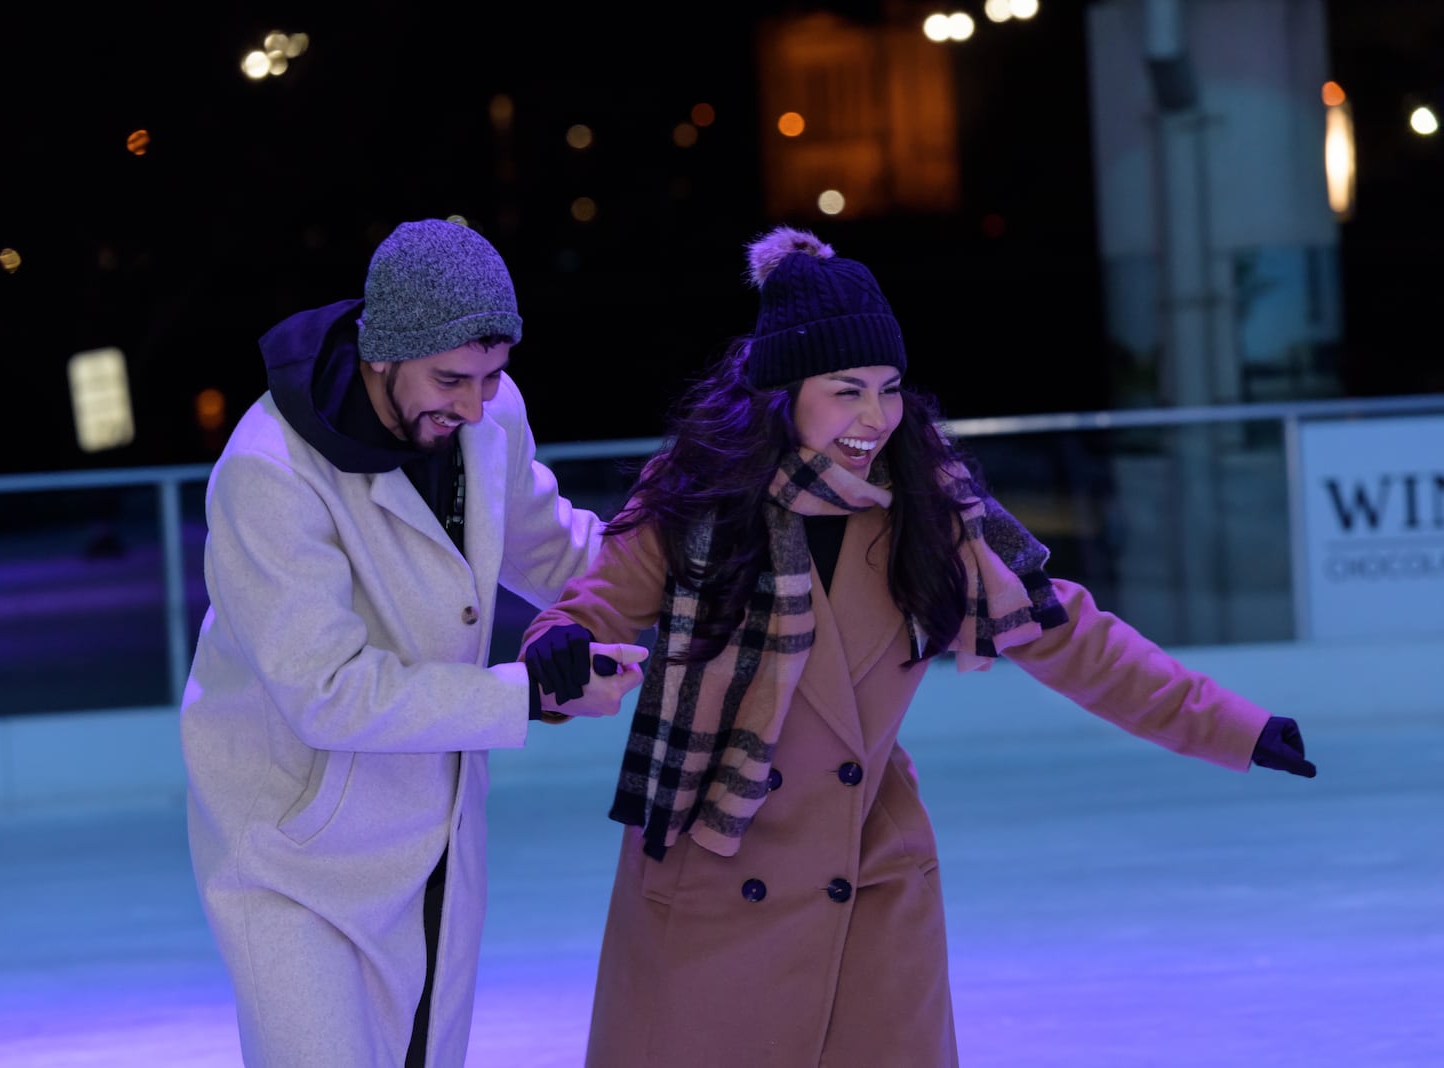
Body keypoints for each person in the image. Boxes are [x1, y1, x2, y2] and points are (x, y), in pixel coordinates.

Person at [517, 225, 1317, 1067]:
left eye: (889, 388)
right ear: (782, 390)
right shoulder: (699, 499)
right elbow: (593, 605)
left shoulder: (935, 513)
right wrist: (562, 645)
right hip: (712, 870)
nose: (875, 418)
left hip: (869, 879)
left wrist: (1235, 725)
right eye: (847, 389)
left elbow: (1069, 634)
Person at [180, 217, 648, 1068]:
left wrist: (683, 580)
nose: (473, 404)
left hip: (433, 839)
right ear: (385, 352)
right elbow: (326, 690)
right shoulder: (267, 473)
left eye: (492, 377)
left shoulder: (488, 416)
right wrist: (529, 693)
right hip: (294, 863)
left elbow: (548, 546)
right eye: (452, 379)